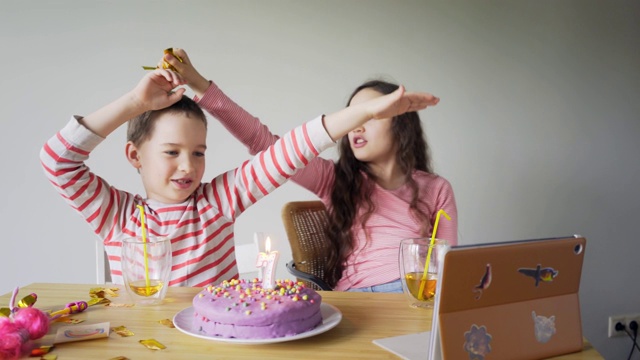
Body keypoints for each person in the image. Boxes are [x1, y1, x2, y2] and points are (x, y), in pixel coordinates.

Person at [40, 64, 439, 288]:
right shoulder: (116, 216)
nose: (188, 166)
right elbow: (57, 160)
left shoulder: (218, 201)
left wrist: (365, 113)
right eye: (171, 153)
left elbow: (289, 150)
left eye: (199, 153)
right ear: (134, 156)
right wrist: (134, 103)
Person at [161, 48, 457, 292]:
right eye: (354, 115)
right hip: (362, 298)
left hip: (419, 296)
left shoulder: (436, 188)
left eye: (374, 113)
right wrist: (199, 84)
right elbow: (261, 140)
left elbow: (449, 267)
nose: (357, 125)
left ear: (401, 121)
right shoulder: (334, 178)